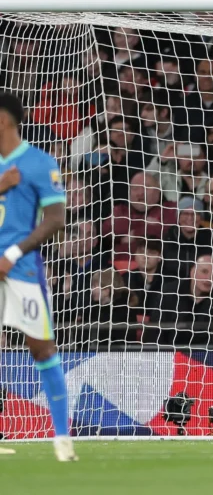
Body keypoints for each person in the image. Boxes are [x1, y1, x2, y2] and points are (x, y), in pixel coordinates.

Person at [0, 92, 76, 461]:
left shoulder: (39, 162)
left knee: (42, 348)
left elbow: (57, 219)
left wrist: (13, 253)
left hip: (21, 270)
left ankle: (63, 440)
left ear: (3, 120)